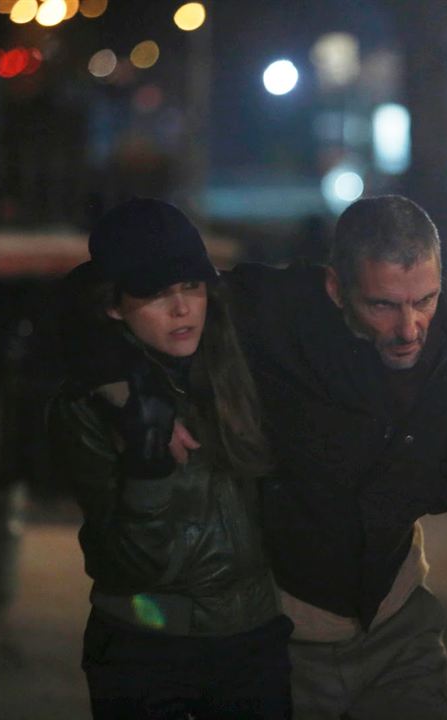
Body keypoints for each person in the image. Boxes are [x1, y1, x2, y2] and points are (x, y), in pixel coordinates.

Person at [224, 194, 447, 719]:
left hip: (398, 629)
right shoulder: (274, 313)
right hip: (280, 637)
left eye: (425, 299)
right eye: (383, 305)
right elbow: (149, 295)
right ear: (336, 288)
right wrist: (157, 397)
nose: (409, 328)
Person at [48, 198, 293, 719]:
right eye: (157, 294)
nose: (182, 308)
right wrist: (149, 467)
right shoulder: (90, 404)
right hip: (145, 648)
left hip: (253, 640)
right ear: (114, 306)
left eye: (191, 286)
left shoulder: (236, 355)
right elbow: (135, 565)